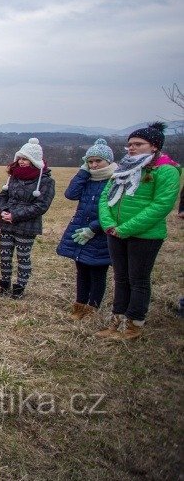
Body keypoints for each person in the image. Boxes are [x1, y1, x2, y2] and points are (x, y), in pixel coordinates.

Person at [97, 123, 180, 340]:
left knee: (138, 278)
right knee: (121, 277)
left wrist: (126, 228)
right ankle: (117, 319)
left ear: (154, 146)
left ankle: (134, 323)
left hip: (145, 235)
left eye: (138, 144)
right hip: (115, 232)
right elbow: (106, 196)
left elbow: (161, 205)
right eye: (130, 144)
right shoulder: (124, 168)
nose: (131, 148)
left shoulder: (166, 170)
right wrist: (108, 224)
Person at [56, 139, 117, 319]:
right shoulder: (88, 179)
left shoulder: (115, 180)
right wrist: (83, 172)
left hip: (101, 234)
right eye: (90, 161)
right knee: (81, 269)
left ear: (109, 161)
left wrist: (94, 228)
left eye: (98, 161)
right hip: (80, 231)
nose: (94, 165)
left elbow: (114, 210)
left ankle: (93, 308)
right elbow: (70, 194)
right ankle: (79, 305)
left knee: (97, 271)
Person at [0, 138, 56, 299]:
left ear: (34, 160)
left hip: (27, 226)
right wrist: (2, 212)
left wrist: (15, 216)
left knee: (23, 257)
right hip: (6, 224)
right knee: (5, 255)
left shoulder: (45, 181)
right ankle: (4, 285)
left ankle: (19, 287)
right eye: (20, 158)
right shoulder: (13, 177)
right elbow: (2, 197)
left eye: (25, 159)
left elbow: (41, 206)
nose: (21, 162)